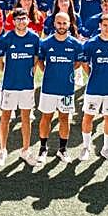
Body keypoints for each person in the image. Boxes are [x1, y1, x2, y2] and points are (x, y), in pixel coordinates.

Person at [36, 11, 85, 163]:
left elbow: (78, 63)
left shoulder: (76, 44)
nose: (62, 26)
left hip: (66, 89)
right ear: (54, 24)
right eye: (59, 23)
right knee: (46, 117)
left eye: (65, 23)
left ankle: (62, 150)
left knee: (64, 118)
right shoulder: (46, 43)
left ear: (70, 24)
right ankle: (43, 148)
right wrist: (48, 72)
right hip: (49, 88)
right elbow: (40, 61)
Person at [79, 13, 108, 162]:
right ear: (99, 26)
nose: (107, 28)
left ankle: (106, 149)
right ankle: (86, 147)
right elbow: (85, 65)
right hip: (94, 88)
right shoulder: (90, 44)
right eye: (104, 25)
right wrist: (96, 75)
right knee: (88, 117)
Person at [0, 9, 40, 165]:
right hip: (9, 85)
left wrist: (30, 70)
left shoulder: (34, 38)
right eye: (18, 19)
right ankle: (2, 150)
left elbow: (36, 57)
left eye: (24, 18)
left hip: (27, 85)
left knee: (26, 118)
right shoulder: (7, 38)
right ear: (13, 21)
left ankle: (26, 150)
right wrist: (5, 70)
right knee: (5, 117)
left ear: (28, 20)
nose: (21, 21)